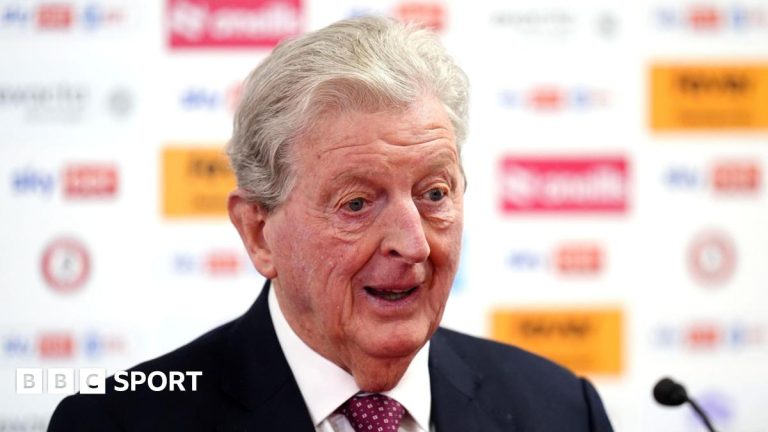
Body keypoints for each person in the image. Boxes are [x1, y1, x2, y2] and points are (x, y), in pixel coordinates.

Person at [49, 16, 613, 431]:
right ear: (258, 233)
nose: (413, 243)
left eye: (434, 194)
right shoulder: (117, 423)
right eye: (357, 204)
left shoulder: (562, 411)